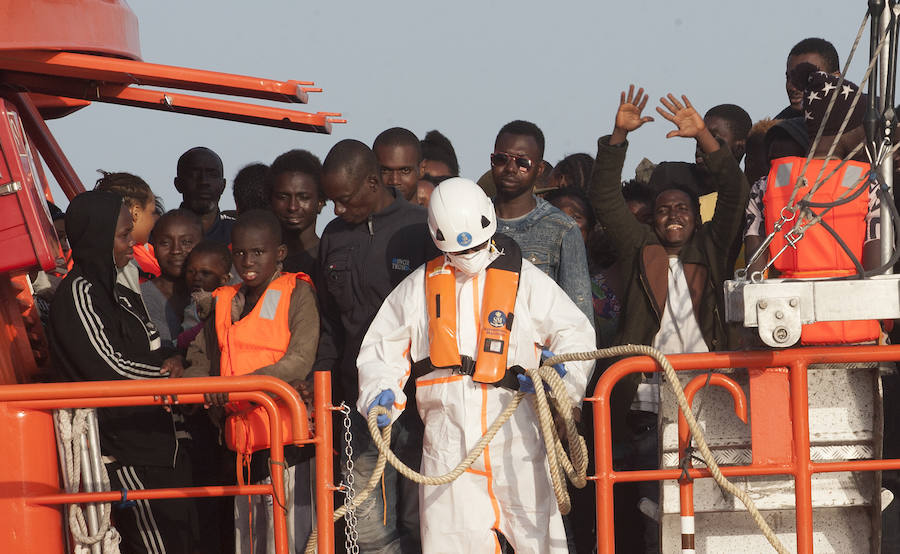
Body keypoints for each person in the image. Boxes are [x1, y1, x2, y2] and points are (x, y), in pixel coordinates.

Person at [357, 177, 595, 554]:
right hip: (447, 444)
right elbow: (381, 349)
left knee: (541, 544)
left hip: (518, 436)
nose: (470, 256)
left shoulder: (525, 281)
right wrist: (379, 394)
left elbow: (574, 332)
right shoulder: (418, 288)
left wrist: (563, 379)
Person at [590, 86, 750, 553]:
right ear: (652, 219)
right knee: (651, 511)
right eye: (663, 211)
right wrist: (618, 135)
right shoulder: (641, 247)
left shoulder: (712, 247)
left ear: (695, 217)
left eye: (682, 208)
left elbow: (736, 194)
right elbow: (603, 196)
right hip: (646, 402)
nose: (673, 217)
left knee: (714, 506)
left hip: (712, 396)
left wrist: (703, 135)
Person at [49, 190, 196, 554]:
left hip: (162, 447)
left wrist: (177, 359)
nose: (133, 242)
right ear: (97, 236)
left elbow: (155, 351)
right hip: (125, 453)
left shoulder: (124, 296)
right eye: (123, 235)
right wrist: (175, 379)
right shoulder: (79, 295)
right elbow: (109, 367)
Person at [316, 138, 438, 553]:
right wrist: (325, 388)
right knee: (367, 527)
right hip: (361, 404)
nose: (337, 210)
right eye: (331, 201)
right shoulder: (333, 236)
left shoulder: (419, 228)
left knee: (423, 518)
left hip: (422, 404)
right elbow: (329, 322)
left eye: (345, 199)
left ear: (372, 182)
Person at [184, 209, 319, 554]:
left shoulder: (297, 293)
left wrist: (241, 385)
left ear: (279, 254)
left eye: (258, 252)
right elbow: (200, 357)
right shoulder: (224, 300)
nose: (248, 260)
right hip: (240, 444)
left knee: (289, 539)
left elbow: (300, 360)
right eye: (240, 252)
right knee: (250, 541)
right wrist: (203, 388)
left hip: (289, 445)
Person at [743, 64, 880, 344]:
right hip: (856, 336)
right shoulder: (868, 184)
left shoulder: (764, 184)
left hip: (788, 335)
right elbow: (877, 266)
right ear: (847, 130)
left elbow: (754, 271)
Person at [490, 119, 594, 324]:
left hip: (539, 354)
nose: (511, 168)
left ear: (539, 169)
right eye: (502, 159)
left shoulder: (562, 229)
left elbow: (579, 320)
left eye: (522, 163)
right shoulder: (472, 220)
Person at [141, 209, 203, 349]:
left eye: (186, 242)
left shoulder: (218, 294)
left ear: (202, 244)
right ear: (154, 246)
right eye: (165, 243)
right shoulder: (141, 298)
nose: (176, 250)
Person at [266, 149, 325, 276]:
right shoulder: (256, 261)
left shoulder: (329, 260)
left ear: (321, 201)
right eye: (283, 197)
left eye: (303, 197)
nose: (293, 206)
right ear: (270, 200)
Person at [95, 170, 161, 280]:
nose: (153, 221)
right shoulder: (124, 255)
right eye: (151, 212)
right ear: (136, 212)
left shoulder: (149, 250)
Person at [175, 146, 235, 244]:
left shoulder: (238, 235)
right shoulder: (159, 233)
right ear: (178, 184)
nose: (203, 182)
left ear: (223, 185)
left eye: (212, 175)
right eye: (194, 175)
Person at [776, 37, 840, 120]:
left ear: (836, 79)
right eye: (789, 78)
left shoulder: (859, 116)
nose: (792, 87)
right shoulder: (778, 129)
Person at [373, 127, 426, 202]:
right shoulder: (357, 213)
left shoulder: (437, 214)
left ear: (422, 169)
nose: (395, 180)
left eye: (405, 170)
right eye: (385, 170)